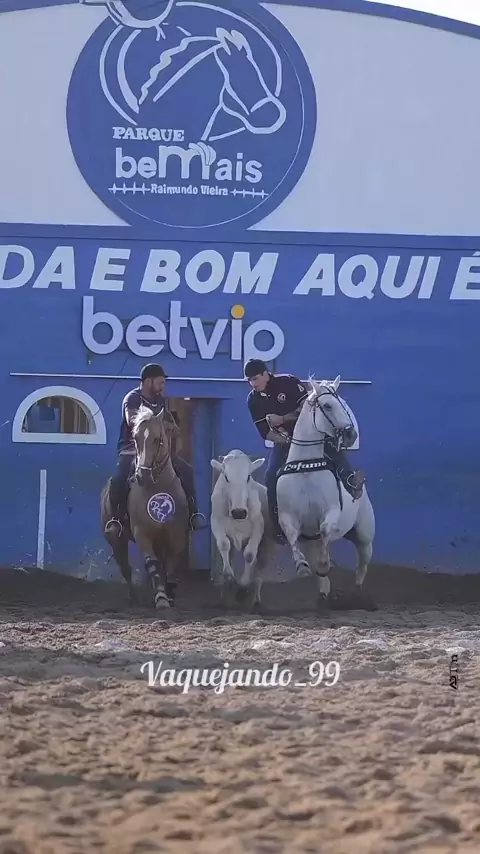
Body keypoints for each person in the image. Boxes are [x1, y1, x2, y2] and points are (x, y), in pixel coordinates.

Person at [244, 358, 365, 538]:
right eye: (249, 381)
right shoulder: (253, 400)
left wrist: (282, 419)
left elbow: (306, 409)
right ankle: (278, 526)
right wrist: (284, 439)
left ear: (265, 374)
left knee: (334, 452)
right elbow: (265, 432)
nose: (253, 384)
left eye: (255, 379)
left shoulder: (288, 382)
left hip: (313, 434)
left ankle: (351, 484)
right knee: (270, 475)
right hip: (285, 441)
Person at [104, 364, 206, 535]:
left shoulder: (160, 401)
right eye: (160, 382)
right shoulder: (132, 398)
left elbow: (169, 422)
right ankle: (116, 519)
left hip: (158, 452)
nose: (162, 386)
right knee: (118, 478)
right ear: (148, 381)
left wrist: (173, 427)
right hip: (132, 449)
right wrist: (158, 425)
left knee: (186, 470)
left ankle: (193, 514)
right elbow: (132, 421)